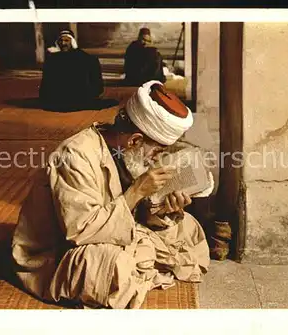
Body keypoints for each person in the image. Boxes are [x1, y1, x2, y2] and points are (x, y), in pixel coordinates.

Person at [11, 80, 213, 309]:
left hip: (111, 228)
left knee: (187, 226)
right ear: (135, 140)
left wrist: (163, 210)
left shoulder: (129, 153)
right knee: (107, 265)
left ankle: (138, 261)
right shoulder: (76, 154)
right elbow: (79, 229)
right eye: (156, 151)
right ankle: (134, 266)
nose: (155, 159)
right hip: (62, 248)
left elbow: (135, 213)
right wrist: (137, 191)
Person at [39, 30, 113, 112]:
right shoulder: (52, 60)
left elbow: (97, 84)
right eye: (61, 40)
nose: (63, 43)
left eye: (66, 40)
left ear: (72, 42)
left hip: (80, 99)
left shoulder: (87, 59)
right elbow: (46, 84)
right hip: (58, 100)